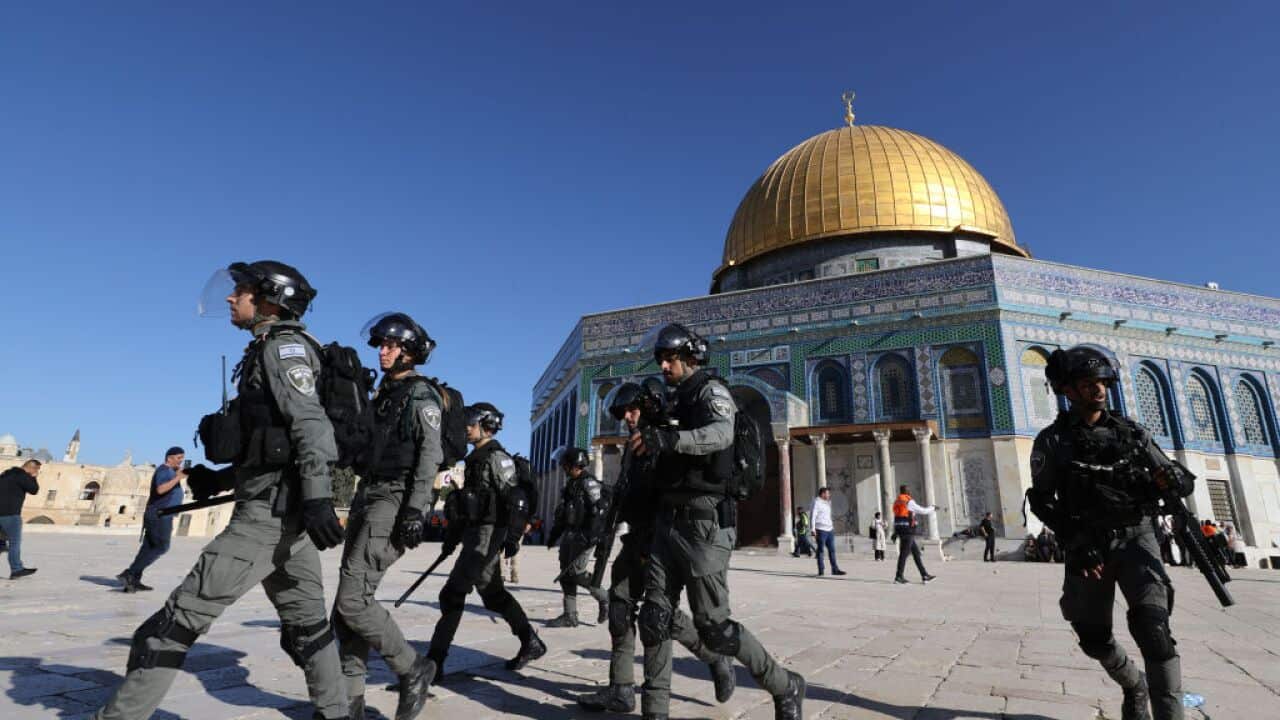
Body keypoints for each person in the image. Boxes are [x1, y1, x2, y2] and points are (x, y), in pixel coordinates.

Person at [95, 261, 349, 720]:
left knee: (174, 622)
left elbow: (311, 427)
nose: (231, 298)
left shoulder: (283, 348)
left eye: (242, 291)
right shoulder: (267, 349)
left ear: (270, 299)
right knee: (309, 626)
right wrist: (225, 478)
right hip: (280, 512)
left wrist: (317, 496)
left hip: (268, 518)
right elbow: (273, 443)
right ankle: (337, 712)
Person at [630, 323, 804, 720]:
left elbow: (720, 435)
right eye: (660, 358)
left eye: (669, 358)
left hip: (705, 524)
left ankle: (784, 684)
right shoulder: (673, 401)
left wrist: (671, 440)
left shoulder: (712, 392)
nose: (663, 364)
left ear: (690, 356)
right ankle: (654, 711)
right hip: (667, 521)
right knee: (654, 617)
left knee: (715, 626)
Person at [1026, 345, 1194, 720]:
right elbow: (1040, 500)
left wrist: (1177, 480)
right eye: (1089, 384)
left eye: (1102, 382)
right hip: (1088, 544)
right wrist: (1075, 540)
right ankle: (1133, 684)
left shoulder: (1133, 434)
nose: (1099, 390)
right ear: (1068, 391)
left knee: (1155, 631)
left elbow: (1175, 478)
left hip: (1138, 536)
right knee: (1092, 637)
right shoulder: (1053, 442)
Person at [576, 380, 735, 713]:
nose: (629, 418)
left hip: (661, 537)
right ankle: (620, 690)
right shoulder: (635, 446)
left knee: (660, 617)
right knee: (619, 608)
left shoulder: (664, 439)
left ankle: (713, 657)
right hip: (635, 536)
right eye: (624, 414)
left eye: (633, 410)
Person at [332, 312, 443, 720]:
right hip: (368, 494)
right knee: (347, 606)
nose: (382, 351)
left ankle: (413, 669)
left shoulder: (421, 395)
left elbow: (429, 456)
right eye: (380, 344)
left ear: (409, 352)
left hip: (394, 500)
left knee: (352, 600)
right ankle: (350, 702)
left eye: (391, 345)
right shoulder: (382, 393)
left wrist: (415, 509)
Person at [424, 402, 545, 682]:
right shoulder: (475, 458)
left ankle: (435, 662)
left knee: (452, 594)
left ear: (486, 425)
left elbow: (516, 499)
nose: (466, 428)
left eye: (471, 423)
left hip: (487, 536)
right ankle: (530, 641)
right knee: (493, 595)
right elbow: (468, 505)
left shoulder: (496, 457)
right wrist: (451, 539)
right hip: (475, 533)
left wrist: (514, 536)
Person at [546, 447, 610, 627]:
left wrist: (592, 536)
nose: (563, 468)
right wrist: (554, 536)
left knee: (577, 573)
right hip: (571, 534)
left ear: (575, 465)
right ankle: (570, 615)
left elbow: (600, 512)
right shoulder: (571, 485)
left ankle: (606, 598)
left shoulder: (589, 484)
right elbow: (564, 513)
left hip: (585, 537)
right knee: (566, 574)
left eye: (565, 465)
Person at [118, 447, 187, 592]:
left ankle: (134, 580)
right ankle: (129, 574)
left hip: (159, 514)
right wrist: (178, 478)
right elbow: (161, 489)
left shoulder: (170, 472)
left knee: (148, 547)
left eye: (182, 458)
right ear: (169, 458)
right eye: (179, 458)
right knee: (161, 546)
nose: (181, 461)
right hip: (159, 515)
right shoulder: (164, 471)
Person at [0, 459, 41, 579]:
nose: (37, 472)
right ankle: (17, 569)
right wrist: (33, 477)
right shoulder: (22, 476)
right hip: (11, 514)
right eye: (36, 470)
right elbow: (34, 490)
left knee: (2, 543)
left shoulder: (4, 475)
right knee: (14, 542)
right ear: (31, 468)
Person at [892, 485, 937, 584]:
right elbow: (923, 511)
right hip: (908, 531)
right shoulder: (909, 502)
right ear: (906, 491)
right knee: (904, 554)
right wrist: (932, 508)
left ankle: (924, 575)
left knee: (916, 554)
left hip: (901, 530)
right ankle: (899, 577)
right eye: (908, 490)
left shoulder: (897, 501)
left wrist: (895, 532)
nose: (910, 491)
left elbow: (896, 516)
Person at [810, 487, 846, 576]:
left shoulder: (827, 503)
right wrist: (812, 529)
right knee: (821, 550)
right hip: (821, 530)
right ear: (822, 494)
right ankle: (821, 569)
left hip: (829, 530)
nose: (829, 495)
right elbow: (813, 516)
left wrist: (831, 526)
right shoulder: (816, 502)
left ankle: (835, 569)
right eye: (827, 493)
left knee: (832, 550)